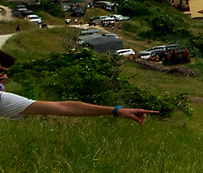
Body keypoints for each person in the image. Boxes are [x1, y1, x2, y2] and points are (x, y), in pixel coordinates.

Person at [0, 50, 153, 121]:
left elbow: (62, 107)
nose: (5, 78)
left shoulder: (2, 100)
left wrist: (117, 110)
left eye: (5, 73)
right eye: (1, 73)